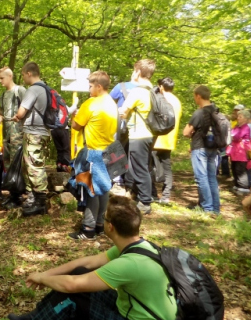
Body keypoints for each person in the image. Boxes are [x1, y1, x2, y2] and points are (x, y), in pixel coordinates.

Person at [0, 196, 177, 320]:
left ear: (110, 227)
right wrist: (45, 274)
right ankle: (37, 317)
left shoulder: (129, 263)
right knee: (80, 273)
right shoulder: (138, 246)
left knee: (71, 300)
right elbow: (86, 264)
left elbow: (71, 286)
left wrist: (43, 280)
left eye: (104, 217)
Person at [68, 71, 118, 240]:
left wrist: (73, 116)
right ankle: (99, 225)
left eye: (90, 86)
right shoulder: (112, 103)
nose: (89, 90)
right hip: (109, 151)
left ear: (99, 86)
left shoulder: (91, 103)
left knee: (90, 190)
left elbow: (76, 125)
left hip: (93, 152)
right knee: (103, 189)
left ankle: (88, 229)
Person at [10, 62, 51, 217]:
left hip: (34, 133)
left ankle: (40, 203)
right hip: (43, 132)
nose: (22, 78)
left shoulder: (33, 89)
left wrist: (17, 117)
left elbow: (21, 113)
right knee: (33, 164)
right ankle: (34, 198)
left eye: (23, 75)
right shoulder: (46, 88)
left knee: (34, 166)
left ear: (29, 73)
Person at [119, 59, 156, 215]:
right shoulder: (153, 90)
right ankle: (142, 197)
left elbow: (123, 111)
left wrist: (121, 112)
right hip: (150, 134)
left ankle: (145, 202)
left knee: (139, 169)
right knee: (143, 167)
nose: (132, 73)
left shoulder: (137, 91)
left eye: (134, 70)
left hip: (138, 134)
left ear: (138, 72)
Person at [183, 85, 221, 216]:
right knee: (211, 178)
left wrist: (191, 131)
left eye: (194, 96)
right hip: (213, 148)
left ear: (198, 96)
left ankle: (207, 208)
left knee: (202, 178)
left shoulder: (199, 113)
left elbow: (186, 132)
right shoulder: (216, 111)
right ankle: (215, 209)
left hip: (199, 147)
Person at [0, 67, 28, 209]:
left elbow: (28, 109)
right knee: (7, 163)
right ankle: (13, 194)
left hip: (18, 133)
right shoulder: (4, 94)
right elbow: (4, 114)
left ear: (10, 76)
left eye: (2, 78)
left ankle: (19, 194)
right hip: (6, 133)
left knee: (17, 163)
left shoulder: (20, 90)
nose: (0, 81)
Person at [151, 77, 182, 205]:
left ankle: (152, 193)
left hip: (157, 136)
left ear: (162, 87)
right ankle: (166, 196)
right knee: (167, 167)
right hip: (169, 138)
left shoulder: (160, 98)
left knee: (150, 165)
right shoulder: (177, 101)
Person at [229, 109, 251, 195]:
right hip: (235, 152)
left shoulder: (245, 127)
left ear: (246, 118)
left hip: (242, 153)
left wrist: (233, 137)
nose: (238, 118)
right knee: (234, 168)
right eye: (238, 116)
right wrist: (233, 137)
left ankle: (243, 188)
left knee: (240, 169)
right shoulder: (237, 127)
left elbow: (237, 137)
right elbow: (231, 135)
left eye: (240, 117)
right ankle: (237, 185)